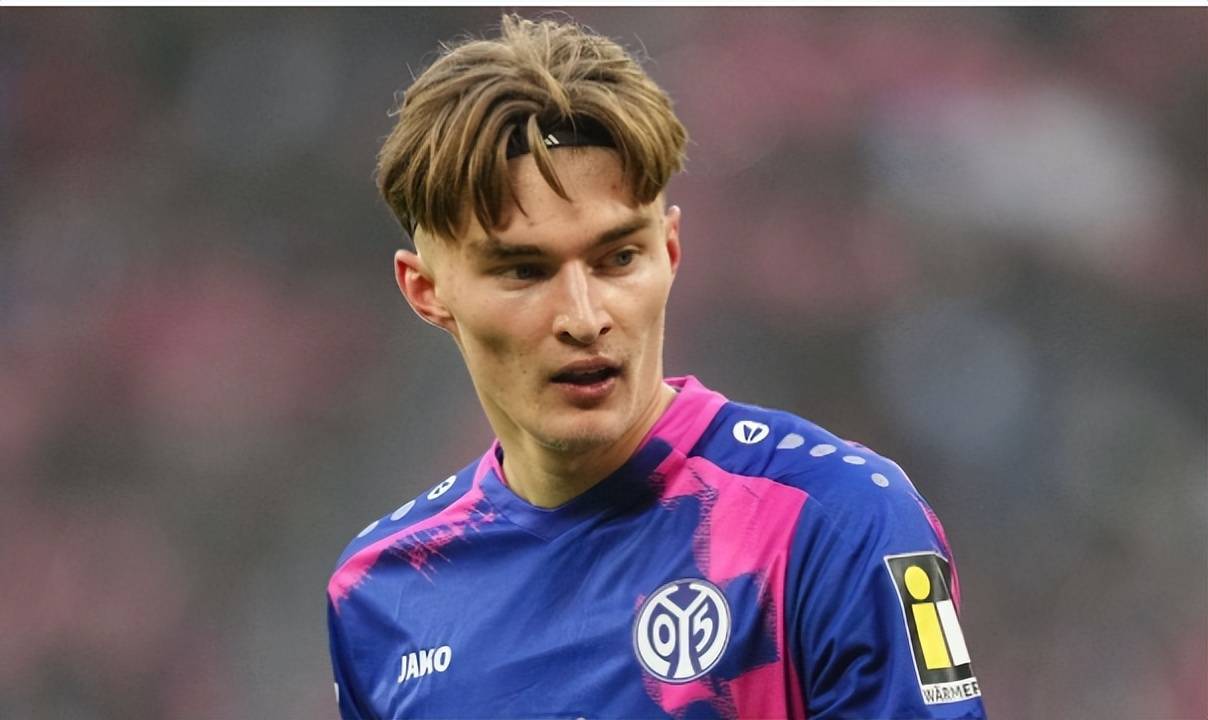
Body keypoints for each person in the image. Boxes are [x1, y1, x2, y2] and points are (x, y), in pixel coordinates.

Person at [327, 14, 986, 719]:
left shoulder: (835, 519)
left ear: (669, 251)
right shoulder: (383, 591)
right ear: (426, 291)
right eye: (524, 270)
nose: (584, 317)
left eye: (618, 258)